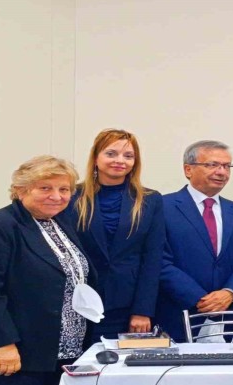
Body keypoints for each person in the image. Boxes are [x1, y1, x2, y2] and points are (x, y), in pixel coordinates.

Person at [0, 156, 97, 385]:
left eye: (64, 189)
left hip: (63, 354)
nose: (56, 196)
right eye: (45, 188)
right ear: (21, 190)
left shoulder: (61, 223)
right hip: (18, 353)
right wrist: (1, 343)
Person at [156, 140, 233, 342]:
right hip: (177, 313)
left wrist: (229, 293)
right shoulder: (161, 207)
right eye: (212, 165)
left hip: (228, 315)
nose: (222, 172)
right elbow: (158, 260)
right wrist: (200, 298)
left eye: (227, 166)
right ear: (188, 169)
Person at [70, 129, 165, 341]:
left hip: (127, 305)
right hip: (79, 302)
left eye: (128, 156)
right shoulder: (72, 196)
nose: (120, 161)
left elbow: (153, 258)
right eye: (111, 153)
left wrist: (143, 309)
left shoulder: (149, 199)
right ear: (96, 157)